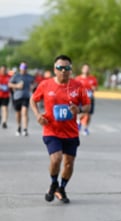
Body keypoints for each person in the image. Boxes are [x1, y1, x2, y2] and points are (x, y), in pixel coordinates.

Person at [30, 55, 91, 204]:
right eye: (60, 68)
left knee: (69, 163)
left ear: (71, 70)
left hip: (71, 132)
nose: (63, 71)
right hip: (52, 130)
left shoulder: (79, 86)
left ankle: (61, 188)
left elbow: (87, 106)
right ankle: (53, 183)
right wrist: (38, 115)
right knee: (56, 158)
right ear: (54, 69)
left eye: (67, 68)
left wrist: (79, 109)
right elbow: (33, 99)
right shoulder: (45, 85)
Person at [8, 62, 35, 136]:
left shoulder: (30, 77)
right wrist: (17, 86)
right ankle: (19, 127)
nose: (24, 70)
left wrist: (32, 87)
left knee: (25, 112)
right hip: (17, 97)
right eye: (22, 68)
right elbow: (9, 84)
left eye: (25, 68)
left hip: (26, 97)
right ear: (20, 68)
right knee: (18, 114)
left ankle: (25, 129)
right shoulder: (16, 76)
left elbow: (33, 84)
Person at [75, 63, 98, 136]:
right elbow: (74, 88)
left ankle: (86, 128)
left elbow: (96, 88)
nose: (86, 70)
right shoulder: (78, 78)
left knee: (89, 114)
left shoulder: (93, 79)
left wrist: (94, 88)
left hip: (90, 98)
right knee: (82, 112)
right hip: (81, 98)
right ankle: (79, 121)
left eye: (87, 68)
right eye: (85, 68)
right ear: (82, 69)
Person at [0, 65, 11, 129]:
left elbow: (11, 84)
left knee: (5, 108)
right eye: (2, 70)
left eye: (4, 70)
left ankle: (4, 122)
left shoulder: (9, 77)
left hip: (6, 95)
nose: (3, 71)